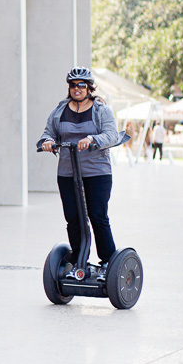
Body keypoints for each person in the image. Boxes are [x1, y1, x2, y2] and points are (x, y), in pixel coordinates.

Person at [38, 67, 121, 281]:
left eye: (81, 85)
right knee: (73, 218)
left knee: (97, 215)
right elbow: (48, 132)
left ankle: (107, 262)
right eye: (73, 85)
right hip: (68, 172)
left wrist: (92, 139)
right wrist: (47, 142)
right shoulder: (60, 111)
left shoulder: (101, 111)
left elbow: (112, 135)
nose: (77, 88)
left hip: (97, 172)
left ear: (89, 88)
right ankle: (79, 261)